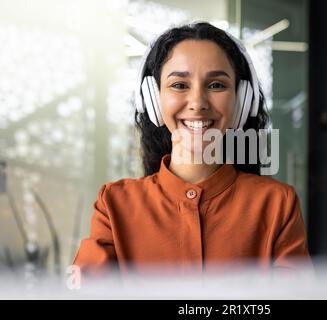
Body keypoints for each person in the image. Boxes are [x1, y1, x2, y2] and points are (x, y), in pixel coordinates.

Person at [73, 22, 311, 280]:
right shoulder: (114, 204)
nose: (198, 103)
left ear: (242, 102)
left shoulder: (277, 204)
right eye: (179, 85)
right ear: (153, 99)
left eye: (217, 85)